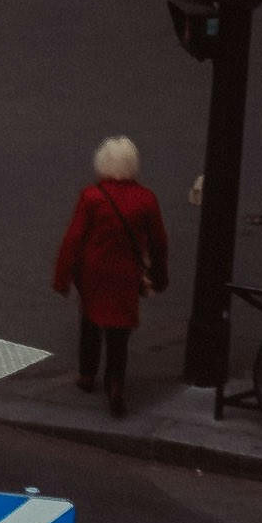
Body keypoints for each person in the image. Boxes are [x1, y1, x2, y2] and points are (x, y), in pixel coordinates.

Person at [52, 137, 171, 406]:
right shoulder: (146, 199)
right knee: (119, 331)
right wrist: (159, 275)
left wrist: (62, 277)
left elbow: (74, 239)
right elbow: (158, 242)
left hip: (93, 272)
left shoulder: (92, 197)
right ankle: (115, 383)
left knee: (90, 321)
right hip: (126, 273)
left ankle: (87, 374)